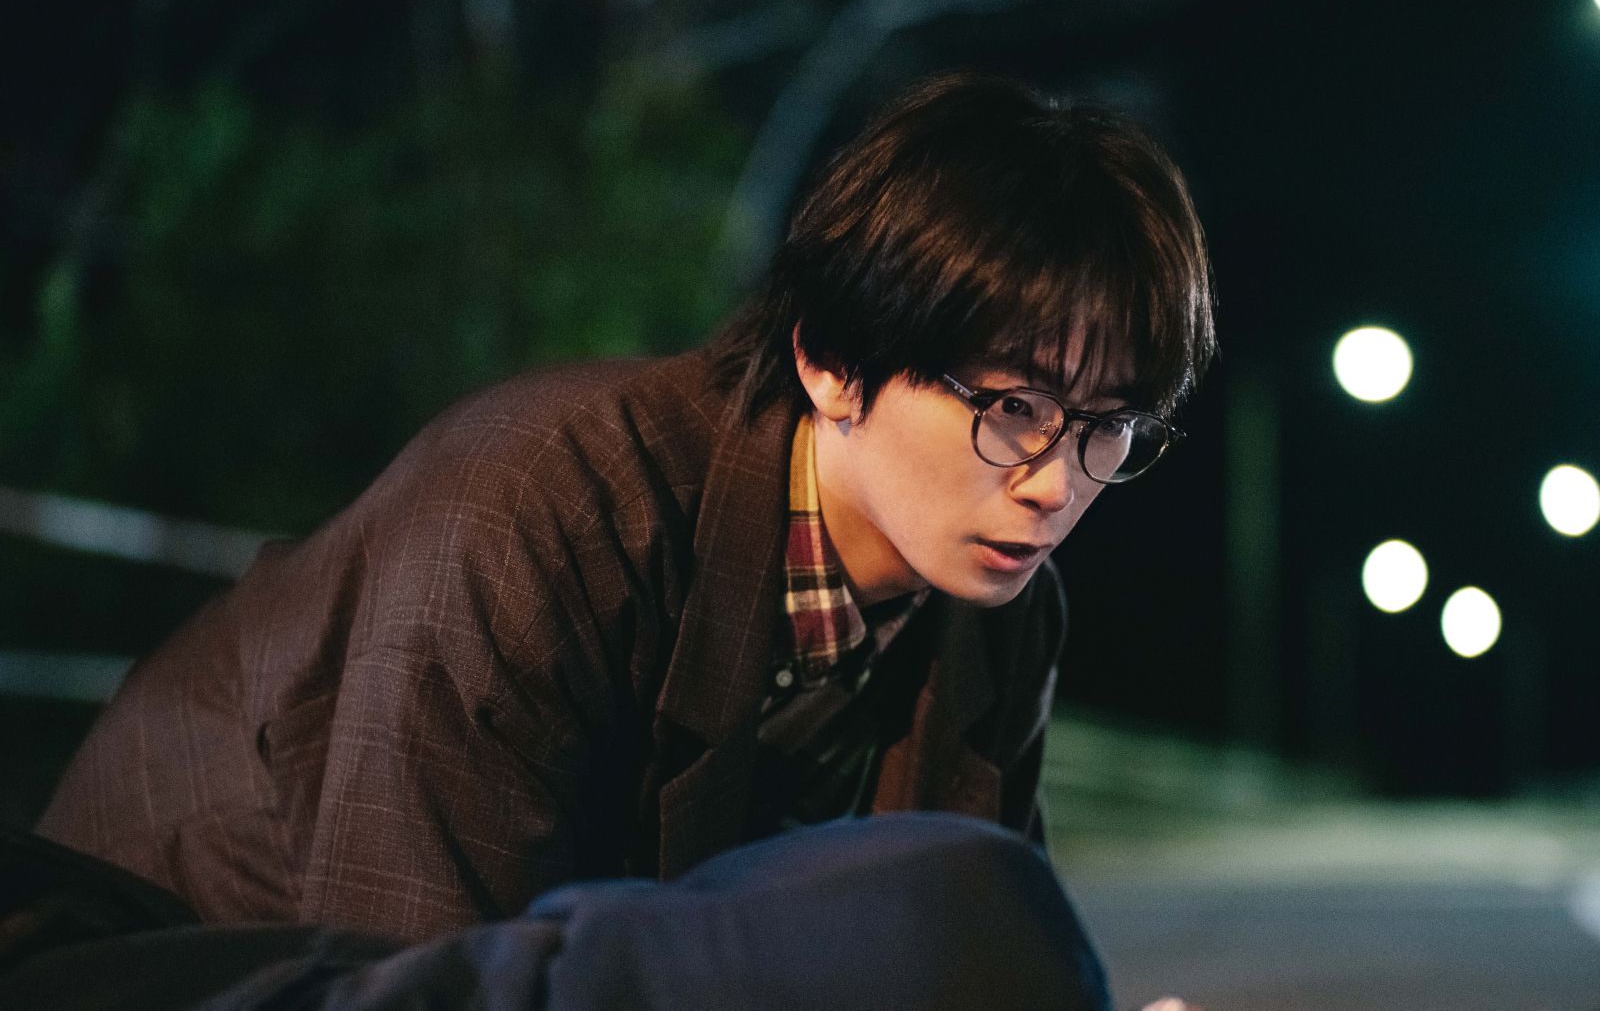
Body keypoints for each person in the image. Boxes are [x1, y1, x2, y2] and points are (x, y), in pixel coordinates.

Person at [34, 71, 1215, 958]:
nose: (1055, 483)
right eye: (1012, 407)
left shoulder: (999, 607)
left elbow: (946, 945)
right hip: (185, 953)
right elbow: (427, 976)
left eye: (1108, 425)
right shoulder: (543, 505)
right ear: (831, 362)